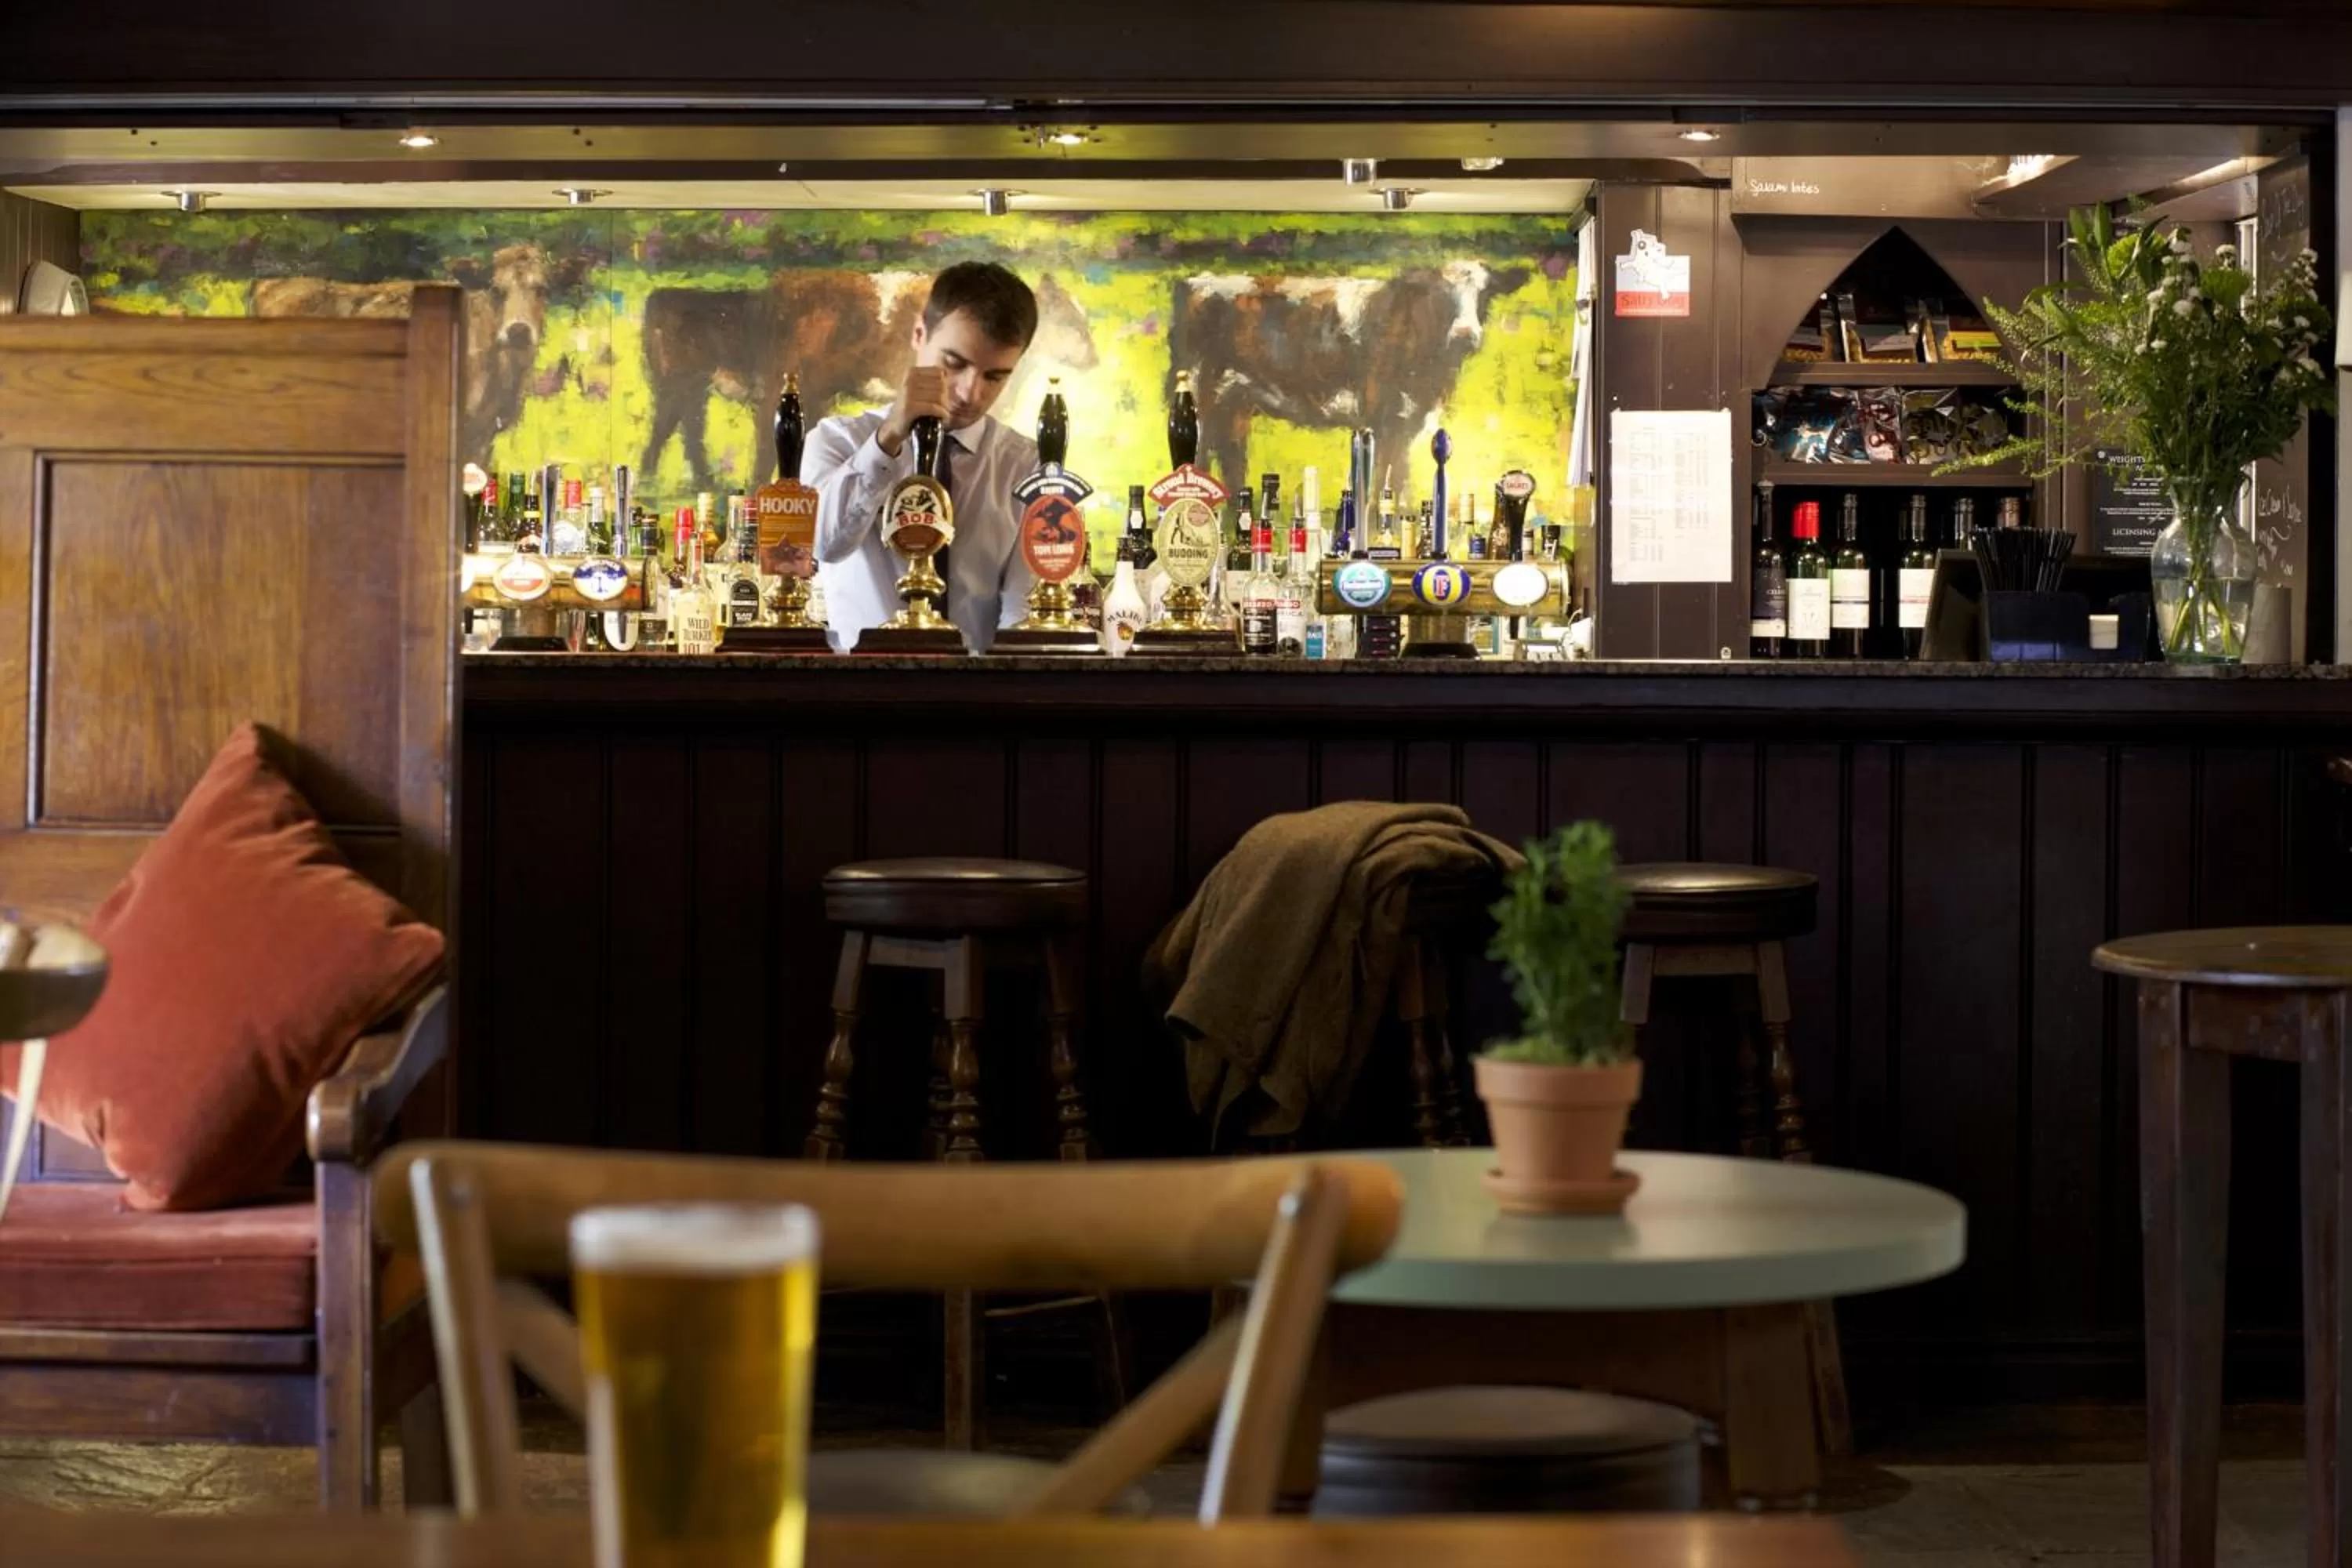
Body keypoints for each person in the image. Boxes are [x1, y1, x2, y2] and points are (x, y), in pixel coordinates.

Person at [803, 262, 1040, 652]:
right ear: (919, 334)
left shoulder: (1024, 465)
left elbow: (1022, 612)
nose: (970, 393)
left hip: (977, 692)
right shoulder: (838, 441)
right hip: (859, 693)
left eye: (994, 377)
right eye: (955, 363)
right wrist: (887, 440)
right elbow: (824, 545)